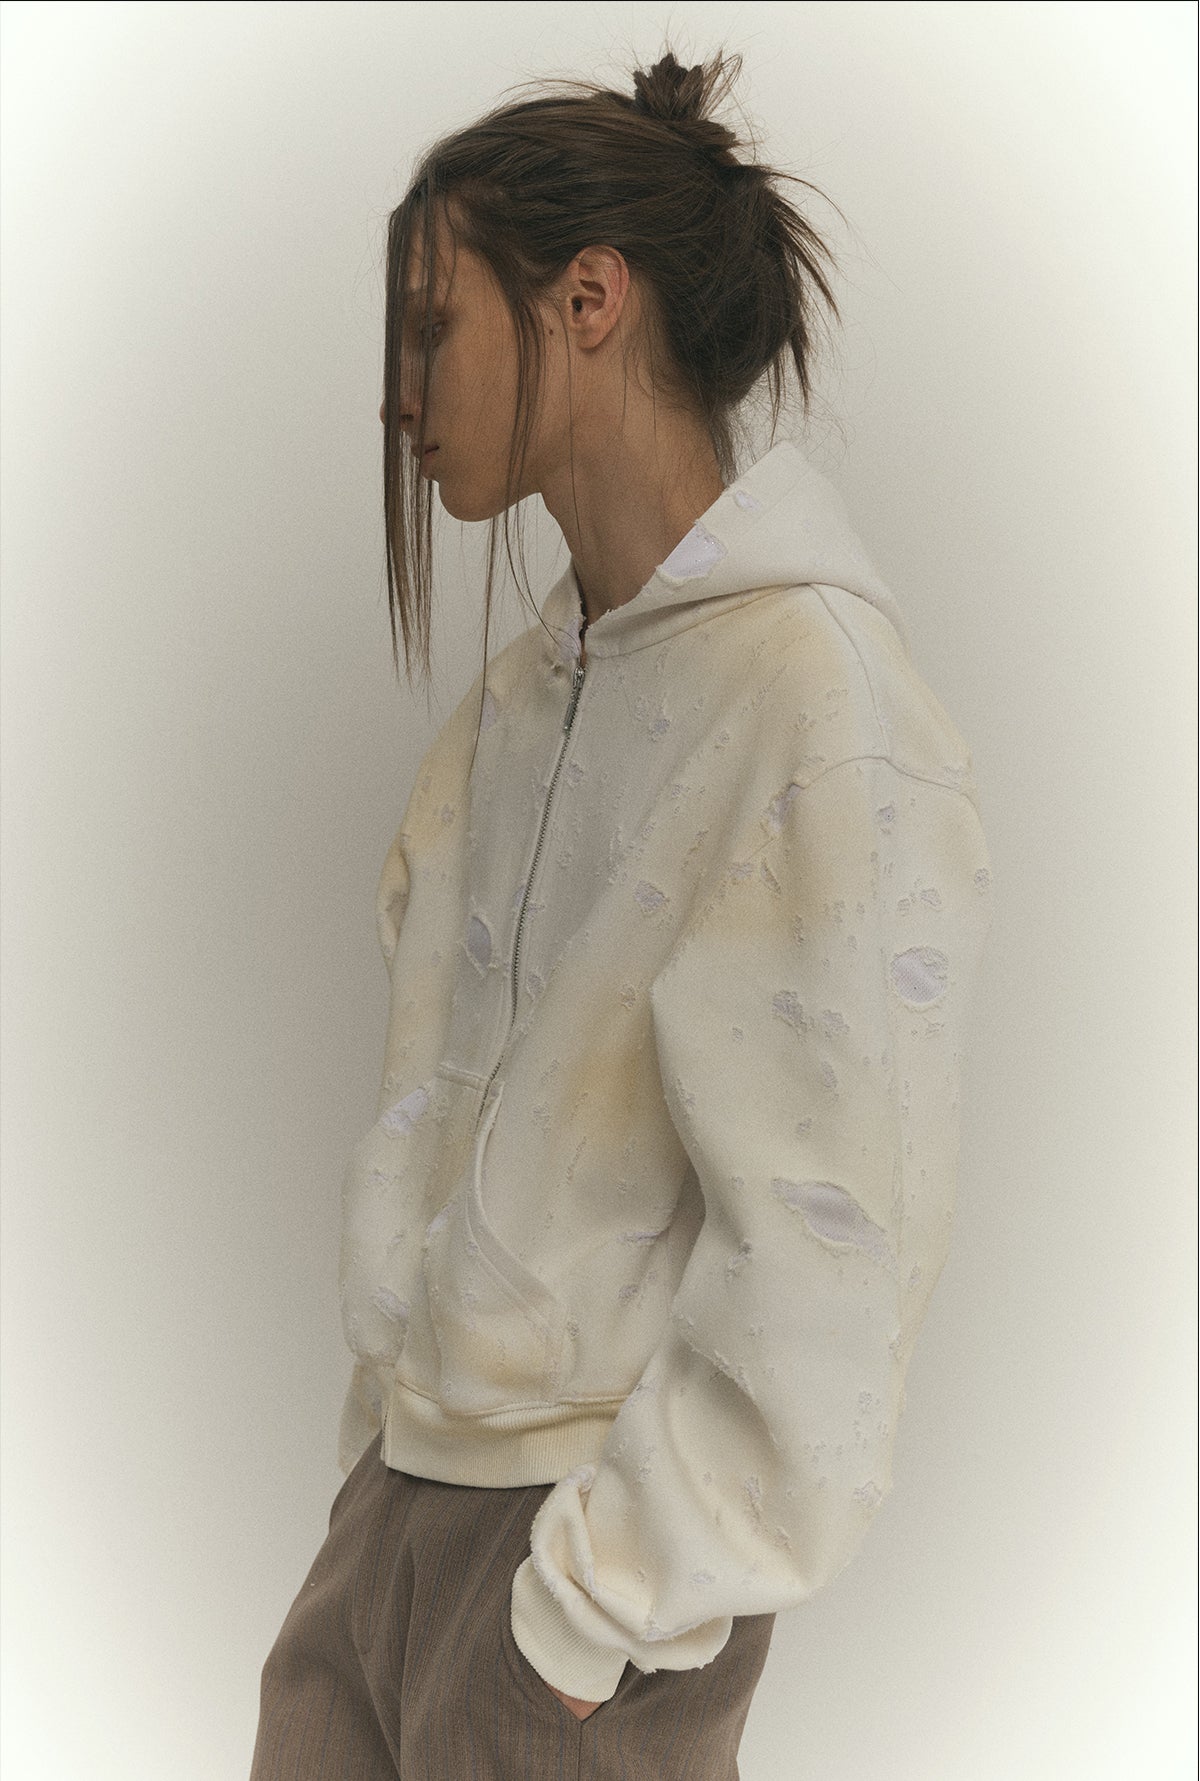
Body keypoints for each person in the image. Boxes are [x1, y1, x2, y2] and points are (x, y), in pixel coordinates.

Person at [250, 42, 993, 1781]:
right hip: (393, 1536)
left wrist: (594, 1609)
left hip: (581, 1591)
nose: (399, 395)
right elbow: (440, 1112)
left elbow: (835, 1246)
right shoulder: (514, 708)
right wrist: (381, 1466)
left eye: (430, 327)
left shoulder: (817, 703)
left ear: (588, 300)